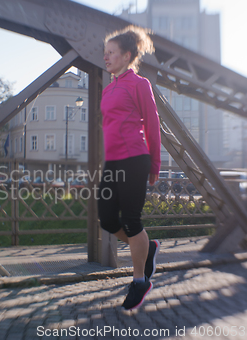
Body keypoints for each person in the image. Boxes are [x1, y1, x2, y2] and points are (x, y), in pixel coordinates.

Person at [99, 26, 161, 310]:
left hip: (135, 159)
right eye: (105, 52)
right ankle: (147, 248)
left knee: (132, 221)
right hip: (112, 162)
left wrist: (155, 164)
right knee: (108, 220)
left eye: (111, 52)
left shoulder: (139, 84)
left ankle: (139, 281)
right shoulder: (110, 87)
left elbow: (152, 126)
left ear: (127, 55)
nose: (106, 57)